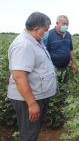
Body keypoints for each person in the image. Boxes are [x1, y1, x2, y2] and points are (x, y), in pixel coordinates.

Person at [7, 12, 57, 141]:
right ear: (36, 29)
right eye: (46, 30)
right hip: (28, 100)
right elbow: (19, 77)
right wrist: (32, 104)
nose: (47, 33)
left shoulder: (35, 40)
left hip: (36, 96)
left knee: (32, 132)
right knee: (29, 135)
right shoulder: (23, 45)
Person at [44, 15, 77, 84]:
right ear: (57, 23)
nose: (66, 25)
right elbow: (44, 51)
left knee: (63, 86)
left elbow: (71, 50)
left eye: (67, 24)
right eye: (63, 23)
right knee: (54, 88)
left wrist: (73, 64)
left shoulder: (68, 34)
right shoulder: (50, 34)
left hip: (65, 68)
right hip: (53, 69)